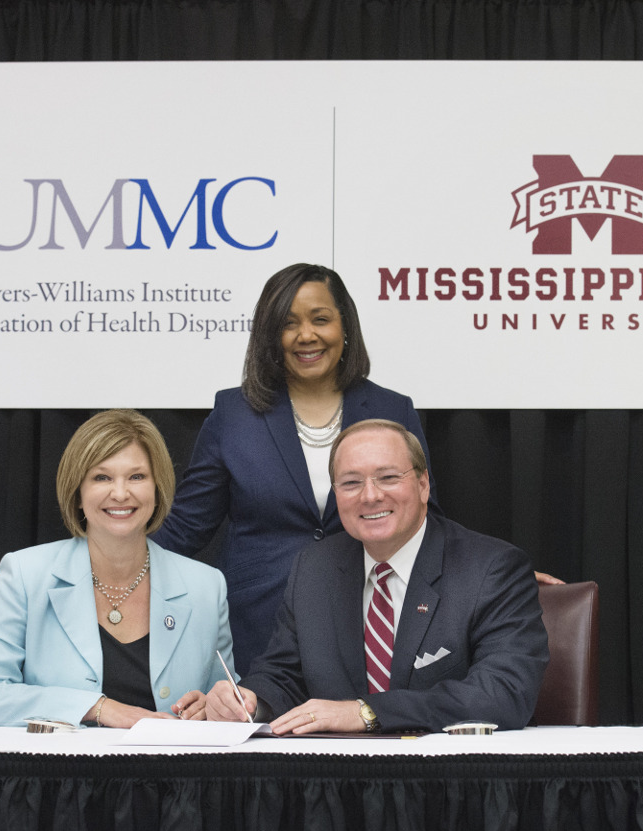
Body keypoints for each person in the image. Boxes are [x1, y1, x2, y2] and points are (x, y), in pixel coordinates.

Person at [151, 263, 442, 675]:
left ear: (345, 326)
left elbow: (427, 517)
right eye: (289, 324)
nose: (306, 335)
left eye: (320, 319)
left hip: (368, 620)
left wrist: (491, 576)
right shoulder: (233, 415)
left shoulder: (392, 409)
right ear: (272, 336)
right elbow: (186, 526)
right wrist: (109, 567)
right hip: (257, 624)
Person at [205, 419, 550, 733]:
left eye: (388, 478)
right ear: (336, 494)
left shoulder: (492, 569)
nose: (370, 496)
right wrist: (250, 700)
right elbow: (284, 675)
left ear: (423, 484)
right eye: (351, 483)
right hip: (338, 784)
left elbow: (504, 692)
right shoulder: (314, 569)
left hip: (452, 785)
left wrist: (367, 711)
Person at [0, 409, 235, 728]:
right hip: (61, 774)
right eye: (102, 477)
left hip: (170, 772)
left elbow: (224, 697)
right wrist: (98, 707)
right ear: (77, 492)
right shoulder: (24, 573)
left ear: (157, 490)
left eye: (137, 477)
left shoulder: (206, 587)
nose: (120, 493)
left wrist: (213, 706)